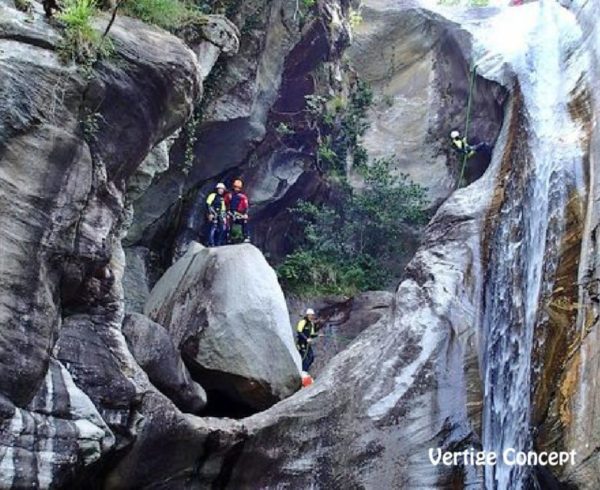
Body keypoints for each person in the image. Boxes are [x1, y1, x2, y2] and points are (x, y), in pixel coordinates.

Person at [225, 178, 250, 243]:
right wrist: (227, 212)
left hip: (240, 214)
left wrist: (245, 214)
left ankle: (246, 236)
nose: (237, 189)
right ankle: (228, 238)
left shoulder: (243, 197)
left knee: (244, 222)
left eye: (238, 188)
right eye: (235, 187)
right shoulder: (229, 195)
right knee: (229, 223)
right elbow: (225, 204)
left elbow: (246, 206)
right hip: (231, 213)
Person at [206, 183, 228, 247]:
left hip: (219, 214)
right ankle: (210, 243)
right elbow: (208, 204)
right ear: (217, 189)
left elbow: (223, 209)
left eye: (222, 189)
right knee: (212, 227)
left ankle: (218, 243)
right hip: (212, 213)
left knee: (222, 228)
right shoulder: (212, 195)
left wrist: (224, 217)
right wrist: (210, 213)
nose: (221, 190)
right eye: (220, 189)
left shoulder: (222, 199)